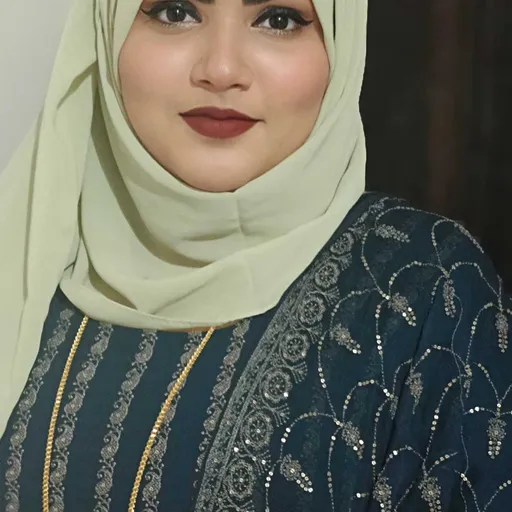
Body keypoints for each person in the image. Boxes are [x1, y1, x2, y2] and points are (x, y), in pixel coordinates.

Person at [0, 0, 510, 510]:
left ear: (341, 44)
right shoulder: (26, 256)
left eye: (278, 19)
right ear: (106, 28)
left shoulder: (423, 291)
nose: (221, 70)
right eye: (175, 12)